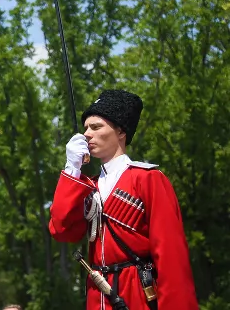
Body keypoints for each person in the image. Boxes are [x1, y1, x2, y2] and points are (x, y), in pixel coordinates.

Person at [48, 89, 198, 309]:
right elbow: (61, 230)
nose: (86, 134)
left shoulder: (148, 179)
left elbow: (171, 257)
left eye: (96, 127)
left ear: (120, 131)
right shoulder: (88, 185)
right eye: (86, 128)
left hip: (136, 294)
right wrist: (72, 168)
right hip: (97, 296)